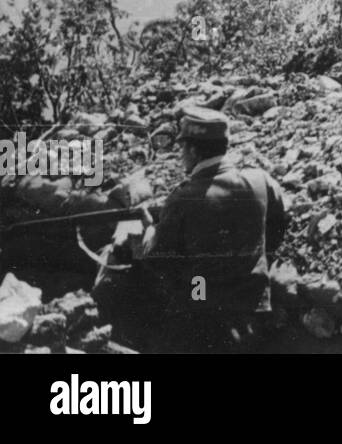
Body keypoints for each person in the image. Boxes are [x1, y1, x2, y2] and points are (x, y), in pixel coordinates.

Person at [94, 108, 286, 352]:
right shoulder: (260, 180)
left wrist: (150, 229)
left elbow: (159, 259)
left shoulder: (184, 197)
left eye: (183, 148)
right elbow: (278, 224)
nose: (180, 155)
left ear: (194, 151)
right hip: (252, 313)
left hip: (203, 319)